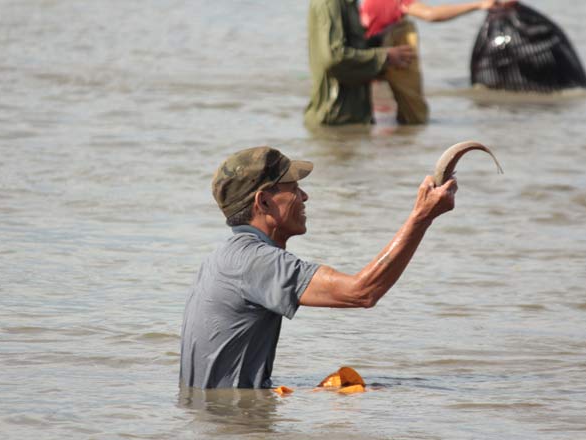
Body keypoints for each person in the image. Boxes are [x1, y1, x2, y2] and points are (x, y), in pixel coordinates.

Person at [179, 146, 457, 388]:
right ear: (263, 201)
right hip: (233, 424)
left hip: (216, 418)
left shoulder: (223, 258)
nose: (304, 196)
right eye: (293, 189)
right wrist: (421, 218)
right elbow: (362, 292)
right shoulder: (255, 261)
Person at [360, 0, 498, 124]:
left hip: (370, 68)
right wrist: (478, 5)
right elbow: (431, 14)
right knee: (415, 121)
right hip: (382, 63)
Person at [304, 0, 416, 126]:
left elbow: (354, 48)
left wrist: (381, 39)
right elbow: (333, 58)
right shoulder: (329, 3)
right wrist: (385, 57)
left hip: (352, 118)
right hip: (334, 120)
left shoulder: (348, 3)